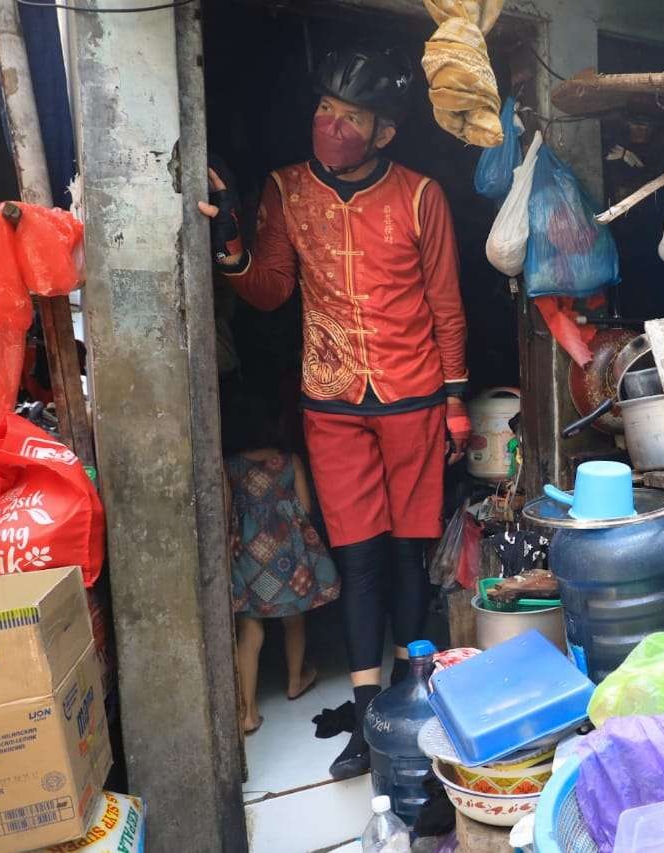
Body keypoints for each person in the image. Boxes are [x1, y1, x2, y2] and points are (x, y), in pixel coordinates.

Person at [199, 46, 470, 779]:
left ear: (385, 133)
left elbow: (446, 304)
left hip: (415, 396)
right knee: (358, 557)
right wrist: (229, 251)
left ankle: (414, 702)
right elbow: (270, 290)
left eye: (353, 117)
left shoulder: (421, 196)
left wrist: (454, 400)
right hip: (332, 402)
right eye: (326, 109)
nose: (334, 125)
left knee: (409, 551)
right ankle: (367, 716)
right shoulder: (286, 191)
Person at [223, 390, 340, 735]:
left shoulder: (228, 467)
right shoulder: (289, 462)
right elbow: (306, 508)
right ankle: (295, 680)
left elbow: (225, 512)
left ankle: (248, 712)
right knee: (294, 618)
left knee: (251, 627)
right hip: (287, 554)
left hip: (246, 554)